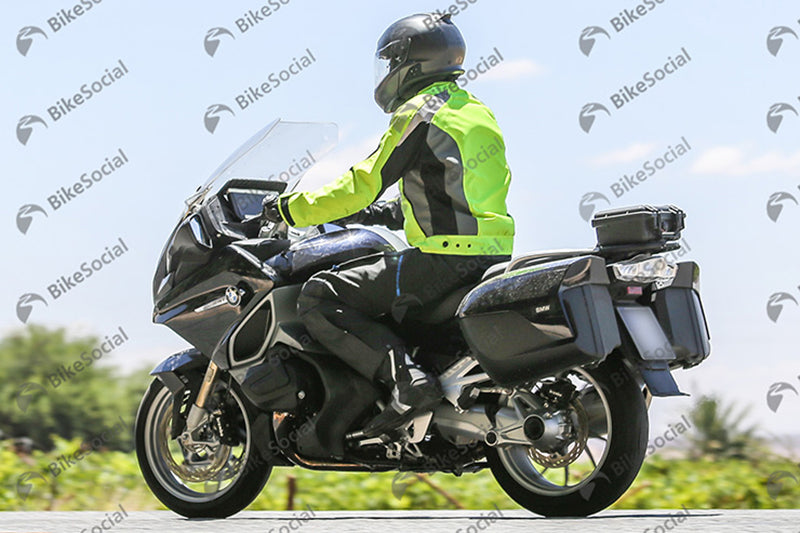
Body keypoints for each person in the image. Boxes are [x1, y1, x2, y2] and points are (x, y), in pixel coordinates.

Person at [263, 13, 514, 437]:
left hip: (441, 259)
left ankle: (407, 384)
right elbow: (453, 187)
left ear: (410, 64)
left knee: (321, 295)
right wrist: (385, 213)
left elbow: (363, 184)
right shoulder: (474, 111)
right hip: (491, 254)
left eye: (389, 63)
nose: (386, 74)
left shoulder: (420, 112)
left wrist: (290, 210)